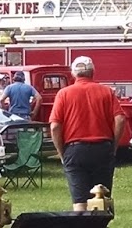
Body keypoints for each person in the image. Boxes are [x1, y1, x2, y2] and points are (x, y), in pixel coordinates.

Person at [49, 56, 126, 212]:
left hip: (75, 150)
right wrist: (114, 145)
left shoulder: (64, 93)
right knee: (101, 198)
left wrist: (62, 153)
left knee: (80, 202)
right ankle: (100, 227)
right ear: (93, 72)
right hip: (102, 148)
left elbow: (55, 126)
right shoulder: (106, 91)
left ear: (73, 73)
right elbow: (120, 119)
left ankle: (81, 226)